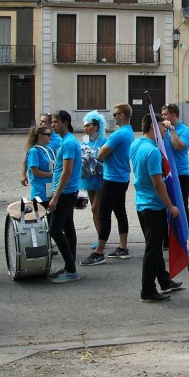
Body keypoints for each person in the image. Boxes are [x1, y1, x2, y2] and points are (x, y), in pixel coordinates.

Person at [129, 114, 183, 302]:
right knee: (152, 249)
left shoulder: (136, 144)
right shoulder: (152, 152)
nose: (164, 130)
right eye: (162, 126)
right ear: (153, 126)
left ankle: (164, 280)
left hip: (142, 203)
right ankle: (147, 290)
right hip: (153, 206)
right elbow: (157, 183)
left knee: (155, 247)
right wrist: (170, 205)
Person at [85, 104, 132, 265]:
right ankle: (123, 247)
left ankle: (99, 252)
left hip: (112, 178)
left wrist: (101, 154)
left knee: (104, 213)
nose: (113, 117)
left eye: (115, 114)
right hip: (123, 177)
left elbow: (100, 154)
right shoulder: (129, 132)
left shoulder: (117, 134)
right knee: (120, 212)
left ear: (123, 115)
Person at [49, 110, 82, 282]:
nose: (52, 125)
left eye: (55, 122)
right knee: (68, 228)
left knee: (54, 229)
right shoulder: (66, 141)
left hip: (66, 192)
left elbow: (66, 172)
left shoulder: (69, 143)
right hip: (67, 191)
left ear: (65, 122)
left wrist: (55, 196)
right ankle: (70, 265)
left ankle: (71, 269)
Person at [162, 104, 189, 226]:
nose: (163, 117)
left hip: (181, 173)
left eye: (165, 114)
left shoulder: (185, 130)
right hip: (166, 172)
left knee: (182, 205)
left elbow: (178, 146)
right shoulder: (162, 129)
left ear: (173, 115)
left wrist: (172, 130)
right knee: (166, 205)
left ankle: (183, 234)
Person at [80, 110, 107, 246]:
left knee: (95, 208)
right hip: (88, 177)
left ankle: (102, 237)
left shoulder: (103, 141)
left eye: (89, 125)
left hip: (100, 178)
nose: (86, 128)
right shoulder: (85, 141)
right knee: (94, 208)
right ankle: (99, 237)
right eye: (85, 126)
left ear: (96, 126)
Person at [24, 125, 56, 207]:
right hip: (40, 191)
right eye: (48, 135)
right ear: (40, 135)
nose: (51, 137)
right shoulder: (34, 151)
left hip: (50, 188)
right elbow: (35, 172)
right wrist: (53, 174)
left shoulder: (48, 150)